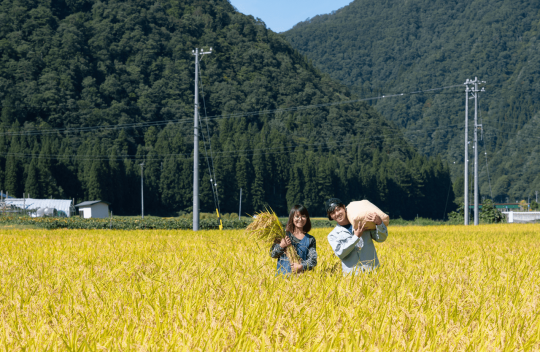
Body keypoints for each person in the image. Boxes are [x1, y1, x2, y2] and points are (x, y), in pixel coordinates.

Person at [325, 198, 388, 274]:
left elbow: (381, 238)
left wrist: (379, 223)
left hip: (373, 272)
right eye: (332, 213)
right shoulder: (333, 235)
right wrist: (356, 237)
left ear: (344, 208)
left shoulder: (363, 223)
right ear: (330, 217)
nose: (337, 214)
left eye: (338, 209)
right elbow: (340, 253)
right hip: (352, 277)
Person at [270, 205, 317, 275]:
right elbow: (272, 254)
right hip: (281, 280)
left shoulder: (310, 239)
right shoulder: (282, 235)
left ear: (307, 218)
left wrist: (301, 266)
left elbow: (313, 260)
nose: (300, 219)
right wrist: (281, 246)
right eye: (297, 216)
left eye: (303, 216)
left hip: (300, 280)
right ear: (292, 218)